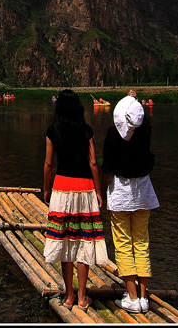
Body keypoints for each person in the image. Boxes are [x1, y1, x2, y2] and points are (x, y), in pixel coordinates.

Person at [43, 89, 108, 311]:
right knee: (84, 240)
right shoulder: (86, 130)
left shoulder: (53, 131)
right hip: (85, 188)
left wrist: (46, 189)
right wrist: (98, 192)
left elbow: (49, 164)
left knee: (65, 241)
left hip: (61, 187)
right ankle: (82, 297)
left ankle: (69, 296)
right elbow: (93, 164)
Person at [101, 90, 159, 314]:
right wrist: (134, 101)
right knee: (142, 242)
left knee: (123, 244)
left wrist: (100, 191)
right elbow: (142, 120)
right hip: (144, 192)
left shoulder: (113, 133)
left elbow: (107, 165)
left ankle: (132, 297)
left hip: (121, 194)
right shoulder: (146, 130)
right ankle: (143, 297)